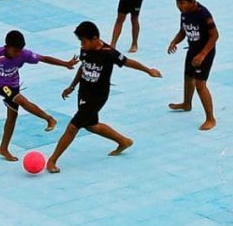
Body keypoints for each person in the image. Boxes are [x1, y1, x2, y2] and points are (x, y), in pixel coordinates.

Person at [48, 20, 161, 173]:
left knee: (73, 126)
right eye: (80, 41)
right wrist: (72, 86)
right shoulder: (85, 50)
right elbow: (83, 67)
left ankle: (52, 160)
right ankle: (123, 141)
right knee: (90, 124)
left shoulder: (109, 53)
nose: (82, 45)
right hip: (84, 92)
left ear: (95, 39)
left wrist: (148, 70)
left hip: (98, 95)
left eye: (84, 41)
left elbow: (128, 62)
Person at [0, 31, 76, 161]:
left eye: (20, 50)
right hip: (0, 86)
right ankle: (49, 118)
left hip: (14, 85)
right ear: (7, 47)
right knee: (21, 100)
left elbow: (44, 58)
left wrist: (65, 64)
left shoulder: (25, 54)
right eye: (15, 51)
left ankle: (3, 148)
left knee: (12, 117)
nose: (18, 54)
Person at [167, 0, 218, 131]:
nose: (179, 6)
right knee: (188, 77)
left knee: (200, 84)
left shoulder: (204, 14)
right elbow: (183, 31)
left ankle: (210, 118)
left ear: (192, 2)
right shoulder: (184, 13)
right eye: (177, 3)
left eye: (182, 3)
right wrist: (174, 41)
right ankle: (186, 103)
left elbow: (215, 35)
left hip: (205, 52)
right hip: (192, 50)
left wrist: (202, 54)